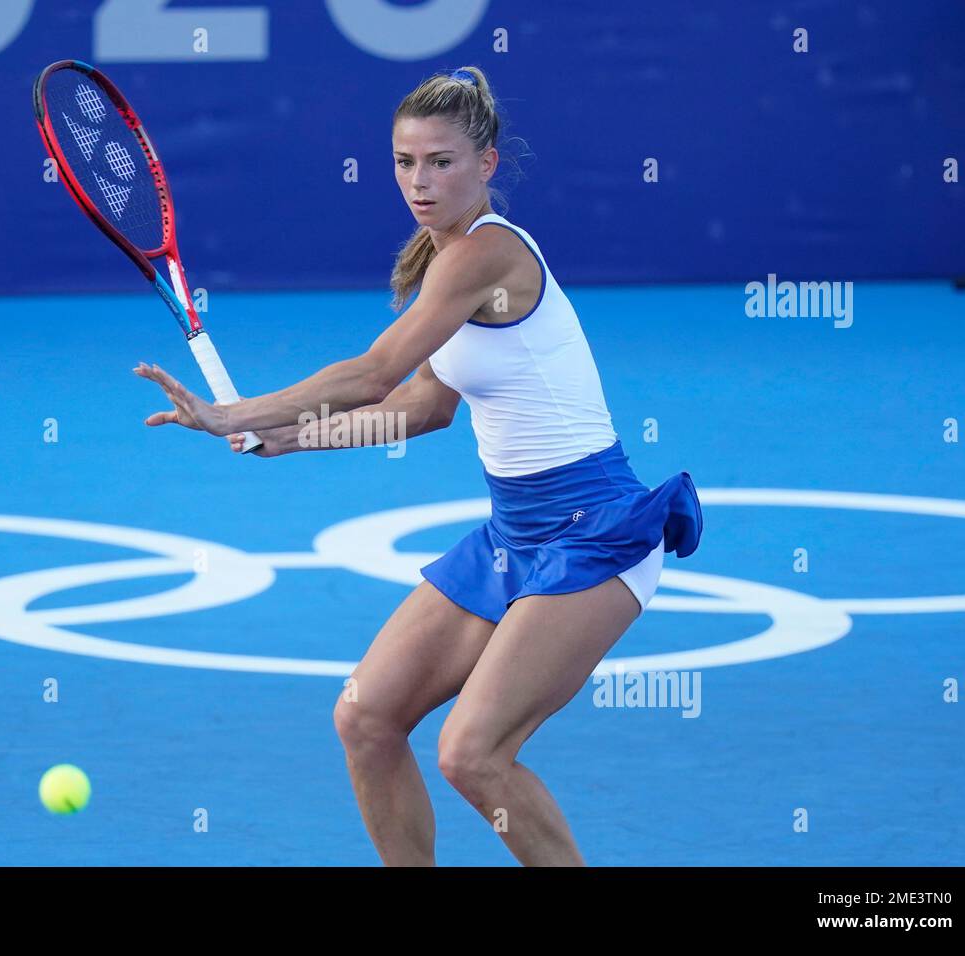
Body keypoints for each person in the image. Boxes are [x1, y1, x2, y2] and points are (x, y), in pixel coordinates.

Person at [134, 65, 702, 866]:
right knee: (366, 718)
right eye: (405, 162)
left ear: (488, 163)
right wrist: (285, 439)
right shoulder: (442, 266)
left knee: (473, 753)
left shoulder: (486, 255)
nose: (419, 181)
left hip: (594, 534)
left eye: (441, 161)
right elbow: (421, 407)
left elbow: (373, 374)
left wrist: (233, 412)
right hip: (516, 535)